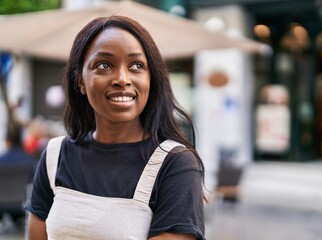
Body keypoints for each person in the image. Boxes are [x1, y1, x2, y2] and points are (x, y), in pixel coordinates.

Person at [25, 16, 205, 239]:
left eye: (136, 66)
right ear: (80, 80)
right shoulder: (55, 156)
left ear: (151, 78)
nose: (122, 78)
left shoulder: (175, 164)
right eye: (104, 65)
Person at [0, 121, 36, 225]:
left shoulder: (1, 159)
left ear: (8, 141)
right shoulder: (28, 160)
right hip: (20, 206)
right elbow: (32, 181)